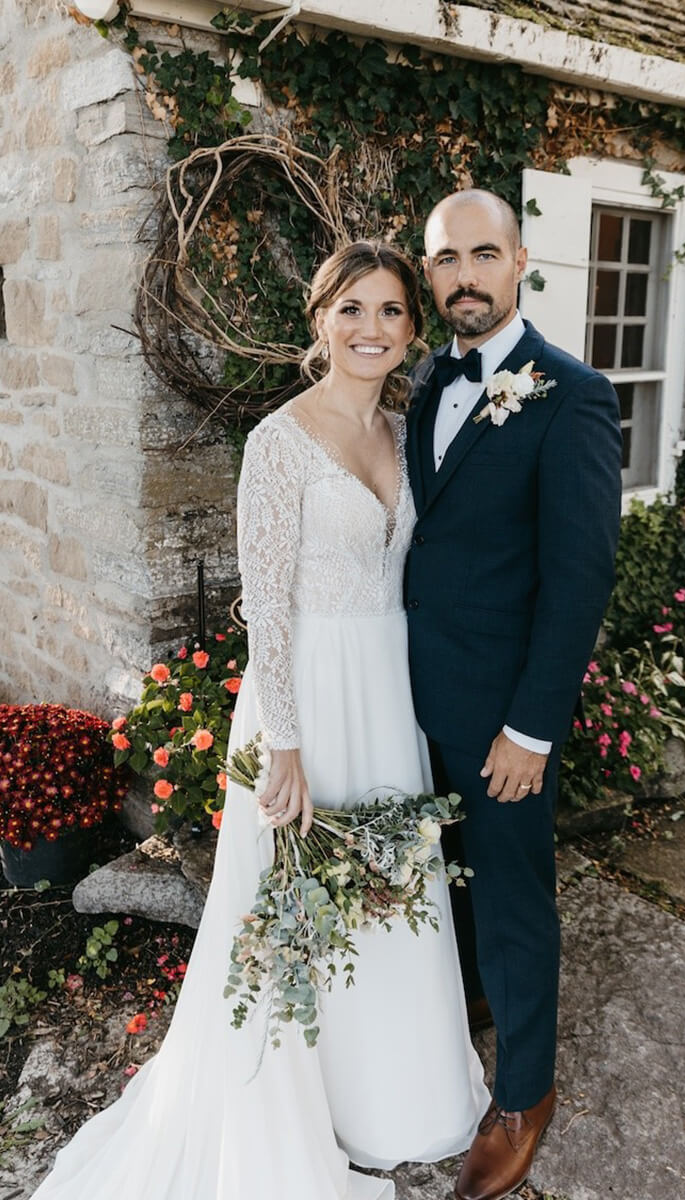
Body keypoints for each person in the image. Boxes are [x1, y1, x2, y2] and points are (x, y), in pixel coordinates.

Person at [30, 241, 488, 1200]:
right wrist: (283, 746)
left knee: (386, 898)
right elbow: (265, 607)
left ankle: (391, 1100)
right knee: (295, 914)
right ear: (319, 320)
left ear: (412, 330)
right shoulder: (278, 442)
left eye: (392, 311)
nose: (372, 328)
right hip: (307, 703)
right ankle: (294, 1115)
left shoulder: (410, 435)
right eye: (352, 308)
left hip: (387, 699)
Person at [404, 189, 622, 1200]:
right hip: (412, 700)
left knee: (513, 901)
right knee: (447, 885)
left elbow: (578, 578)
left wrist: (530, 726)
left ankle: (522, 1094)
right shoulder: (423, 387)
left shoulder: (569, 393)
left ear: (520, 259)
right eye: (446, 260)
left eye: (482, 253)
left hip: (502, 720)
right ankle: (475, 1008)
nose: (464, 277)